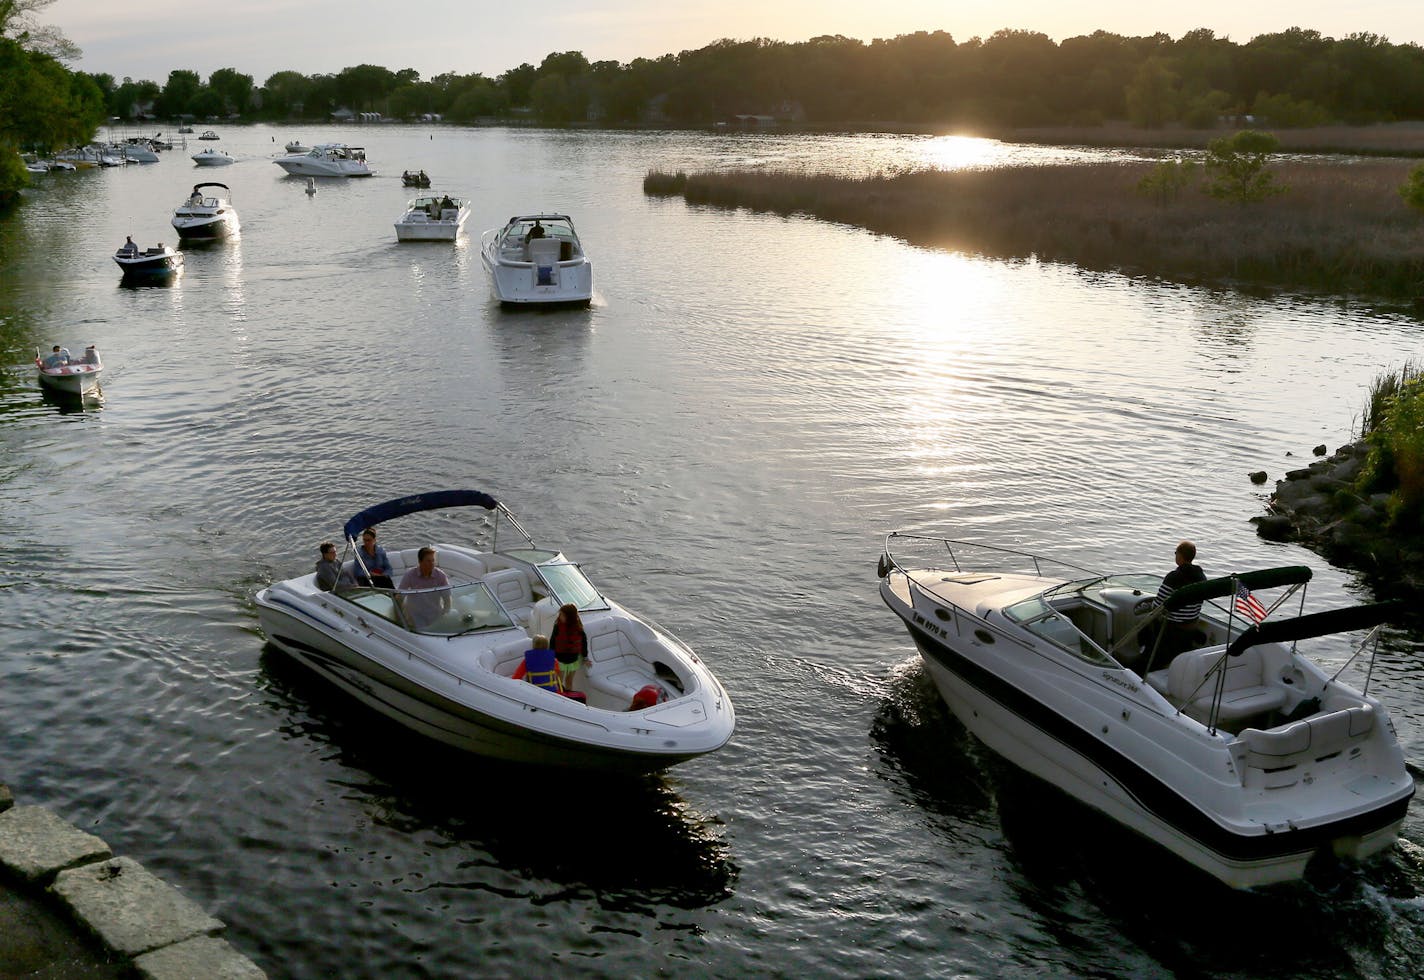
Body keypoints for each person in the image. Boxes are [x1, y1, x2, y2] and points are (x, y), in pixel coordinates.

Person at [1141, 540, 1208, 664]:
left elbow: (1157, 606)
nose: (1175, 555)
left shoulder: (1174, 577)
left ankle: (1145, 656)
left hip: (1173, 627)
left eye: (1176, 553)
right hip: (1191, 625)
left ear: (1180, 556)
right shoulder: (1202, 577)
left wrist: (1147, 606)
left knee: (1144, 625)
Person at [398, 546, 451, 629]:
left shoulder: (441, 576)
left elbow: (447, 598)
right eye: (428, 561)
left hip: (435, 613)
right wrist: (399, 617)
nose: (432, 563)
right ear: (420, 561)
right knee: (422, 631)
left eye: (433, 560)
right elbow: (399, 596)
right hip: (416, 614)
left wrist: (445, 613)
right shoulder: (410, 575)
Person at [549, 603, 589, 692]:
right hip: (560, 660)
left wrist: (585, 657)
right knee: (558, 681)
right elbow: (552, 642)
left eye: (562, 615)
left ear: (569, 617)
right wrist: (550, 656)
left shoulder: (578, 628)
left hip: (573, 660)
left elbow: (583, 643)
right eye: (560, 614)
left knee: (569, 681)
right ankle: (559, 696)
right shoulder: (557, 627)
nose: (560, 617)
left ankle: (569, 697)